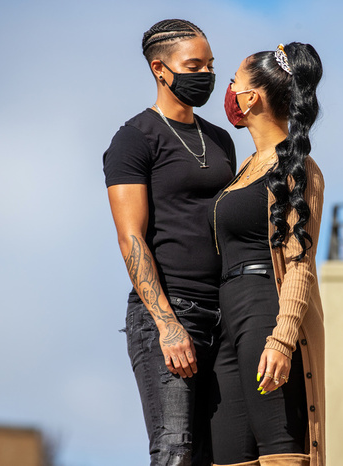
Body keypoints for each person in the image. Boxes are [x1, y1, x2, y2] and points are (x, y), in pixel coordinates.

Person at [103, 19, 236, 466]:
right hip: (167, 316)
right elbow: (131, 238)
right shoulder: (134, 139)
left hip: (222, 316)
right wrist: (167, 324)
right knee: (175, 450)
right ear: (161, 69)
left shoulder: (220, 140)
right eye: (194, 65)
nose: (206, 75)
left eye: (210, 65)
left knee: (215, 454)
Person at [208, 43, 325, 466]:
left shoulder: (296, 167)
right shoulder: (244, 168)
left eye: (234, 80)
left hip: (264, 313)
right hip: (227, 321)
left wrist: (283, 338)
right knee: (228, 452)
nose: (230, 89)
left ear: (251, 97)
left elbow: (300, 265)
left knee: (280, 450)